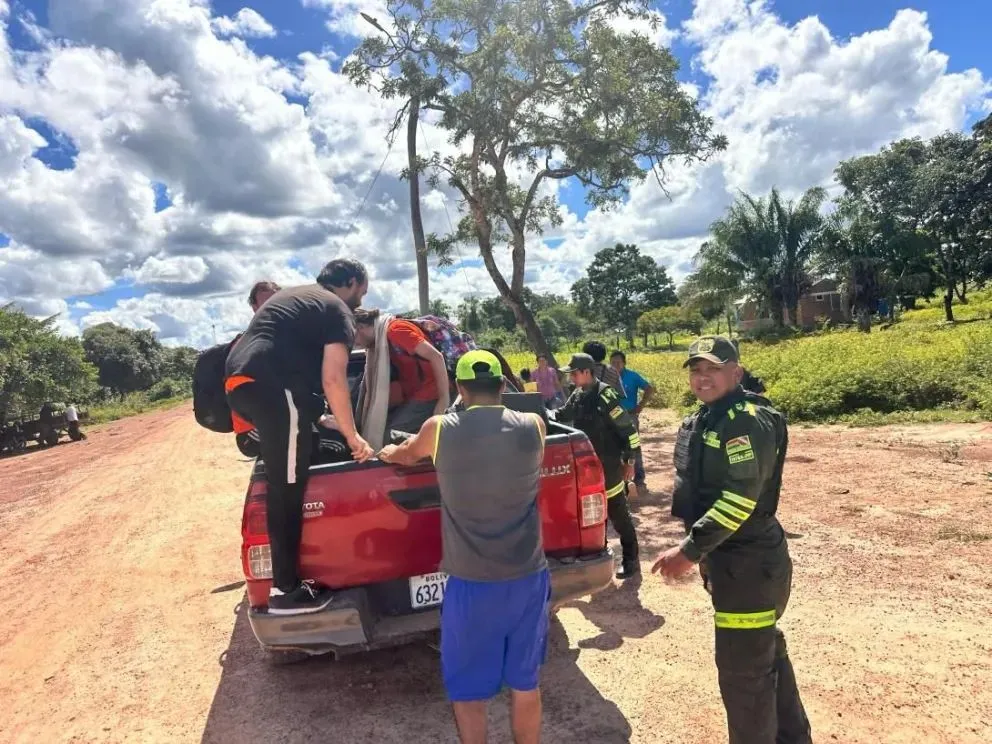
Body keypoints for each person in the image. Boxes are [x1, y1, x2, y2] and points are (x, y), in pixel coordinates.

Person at [378, 350, 549, 744]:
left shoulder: (439, 429)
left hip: (473, 584)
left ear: (459, 387)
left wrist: (388, 451)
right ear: (503, 385)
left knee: (469, 692)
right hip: (529, 579)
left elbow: (404, 456)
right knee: (526, 683)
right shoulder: (534, 426)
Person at [651, 335, 811, 744]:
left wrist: (688, 551)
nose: (703, 378)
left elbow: (739, 501)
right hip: (736, 565)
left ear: (735, 372)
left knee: (744, 678)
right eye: (697, 370)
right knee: (763, 658)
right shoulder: (712, 416)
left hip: (749, 567)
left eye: (714, 369)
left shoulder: (743, 420)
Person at [224, 258, 375, 615]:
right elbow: (333, 379)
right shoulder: (337, 309)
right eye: (362, 291)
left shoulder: (298, 297)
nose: (361, 299)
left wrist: (322, 419)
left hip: (243, 384)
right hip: (272, 390)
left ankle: (289, 580)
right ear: (351, 282)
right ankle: (286, 591)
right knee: (286, 488)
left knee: (297, 461)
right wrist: (354, 437)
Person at [551, 353, 640, 580]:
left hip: (608, 464)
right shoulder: (579, 394)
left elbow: (629, 431)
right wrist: (540, 414)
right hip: (588, 465)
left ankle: (631, 560)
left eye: (573, 373)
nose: (570, 377)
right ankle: (598, 556)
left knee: (617, 512)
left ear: (586, 372)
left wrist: (630, 462)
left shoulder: (605, 396)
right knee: (592, 512)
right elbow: (561, 415)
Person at [353, 309, 451, 436]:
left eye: (351, 335)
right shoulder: (381, 341)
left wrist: (443, 399)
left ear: (360, 327)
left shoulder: (395, 330)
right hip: (415, 394)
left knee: (390, 435)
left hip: (432, 393)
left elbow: (436, 357)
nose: (352, 342)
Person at [235, 280, 283, 457]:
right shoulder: (247, 343)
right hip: (254, 430)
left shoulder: (283, 335)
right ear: (254, 307)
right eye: (265, 303)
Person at [609, 351, 655, 495]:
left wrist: (641, 405)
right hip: (612, 417)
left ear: (624, 363)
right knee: (616, 447)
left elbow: (649, 388)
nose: (615, 365)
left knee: (634, 446)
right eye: (612, 362)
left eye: (618, 362)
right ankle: (621, 480)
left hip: (630, 416)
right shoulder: (608, 377)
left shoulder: (632, 376)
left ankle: (639, 478)